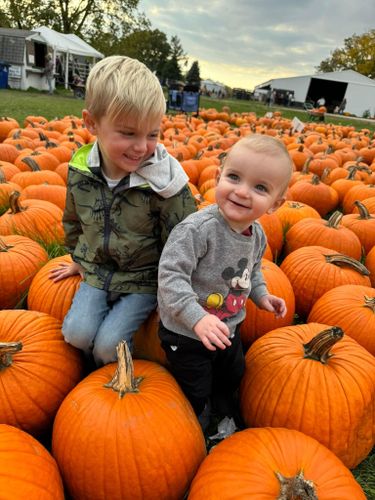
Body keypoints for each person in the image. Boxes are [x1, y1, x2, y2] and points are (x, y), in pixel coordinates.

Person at [49, 55, 196, 367]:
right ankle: (93, 379)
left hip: (143, 280)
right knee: (75, 333)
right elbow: (74, 219)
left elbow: (183, 239)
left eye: (152, 134)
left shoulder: (165, 185)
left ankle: (118, 374)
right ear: (92, 123)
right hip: (98, 272)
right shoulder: (81, 170)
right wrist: (79, 260)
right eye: (128, 133)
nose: (142, 146)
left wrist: (176, 289)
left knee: (107, 347)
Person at [157, 134, 293, 430]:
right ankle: (199, 414)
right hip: (186, 332)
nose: (242, 192)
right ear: (218, 177)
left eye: (260, 187)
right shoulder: (197, 230)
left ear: (275, 204)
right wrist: (197, 319)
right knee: (196, 381)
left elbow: (252, 272)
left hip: (228, 325)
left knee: (233, 370)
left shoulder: (257, 235)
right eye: (234, 177)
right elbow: (170, 277)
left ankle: (221, 399)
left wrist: (262, 296)